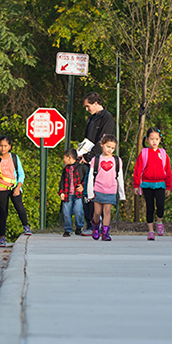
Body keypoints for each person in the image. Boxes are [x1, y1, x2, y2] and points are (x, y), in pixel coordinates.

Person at [80, 93, 116, 234]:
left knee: (98, 192)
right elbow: (87, 139)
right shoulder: (91, 119)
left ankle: (98, 225)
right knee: (86, 192)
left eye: (88, 106)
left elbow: (103, 141)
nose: (87, 109)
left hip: (99, 161)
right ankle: (90, 224)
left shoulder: (107, 118)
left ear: (96, 103)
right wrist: (81, 153)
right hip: (86, 159)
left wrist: (89, 156)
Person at [132, 127, 172, 240]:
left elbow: (168, 171)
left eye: (156, 139)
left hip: (160, 184)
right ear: (147, 139)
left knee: (160, 205)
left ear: (160, 139)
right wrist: (136, 185)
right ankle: (150, 230)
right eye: (151, 139)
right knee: (150, 207)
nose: (154, 141)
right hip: (147, 184)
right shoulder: (144, 153)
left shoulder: (163, 154)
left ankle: (159, 221)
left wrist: (168, 186)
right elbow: (138, 169)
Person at [0, 135, 32, 247]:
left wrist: (18, 187)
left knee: (19, 206)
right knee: (3, 212)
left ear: (10, 146)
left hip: (14, 187)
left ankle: (26, 226)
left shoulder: (14, 157)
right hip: (0, 188)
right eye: (1, 146)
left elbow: (21, 173)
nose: (3, 148)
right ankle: (2, 237)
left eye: (5, 146)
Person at [86, 134, 125, 241]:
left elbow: (119, 177)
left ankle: (105, 232)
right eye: (108, 146)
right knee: (97, 212)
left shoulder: (117, 160)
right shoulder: (96, 159)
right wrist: (90, 192)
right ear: (102, 145)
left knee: (107, 211)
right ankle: (95, 228)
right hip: (98, 189)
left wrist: (122, 194)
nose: (110, 149)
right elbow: (91, 177)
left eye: (112, 148)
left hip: (111, 189)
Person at [59, 149, 86, 237]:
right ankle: (68, 229)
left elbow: (87, 178)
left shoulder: (81, 167)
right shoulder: (65, 169)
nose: (63, 160)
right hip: (67, 194)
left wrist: (82, 186)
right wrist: (61, 192)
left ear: (69, 157)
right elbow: (62, 181)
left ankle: (79, 227)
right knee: (66, 213)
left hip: (78, 195)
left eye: (64, 158)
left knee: (78, 211)